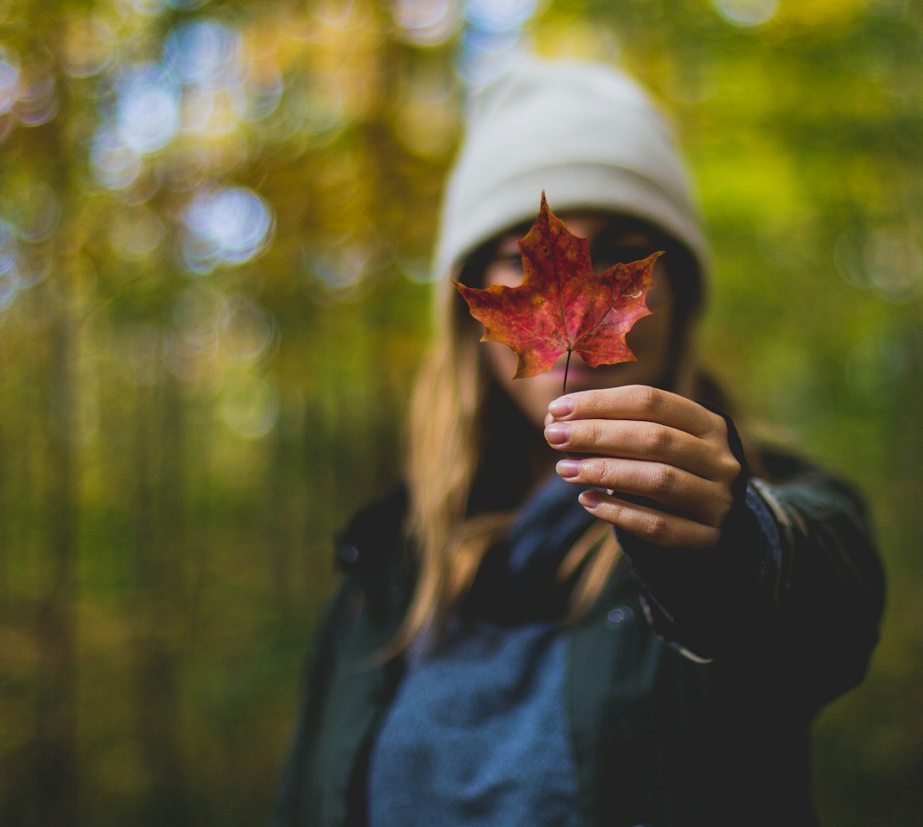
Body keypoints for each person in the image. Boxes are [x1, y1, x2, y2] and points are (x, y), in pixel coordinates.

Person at [271, 59, 885, 827]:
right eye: (527, 254)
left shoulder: (747, 500)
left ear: (679, 299)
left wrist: (731, 544)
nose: (575, 291)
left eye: (625, 249)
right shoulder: (382, 570)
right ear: (472, 303)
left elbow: (823, 602)